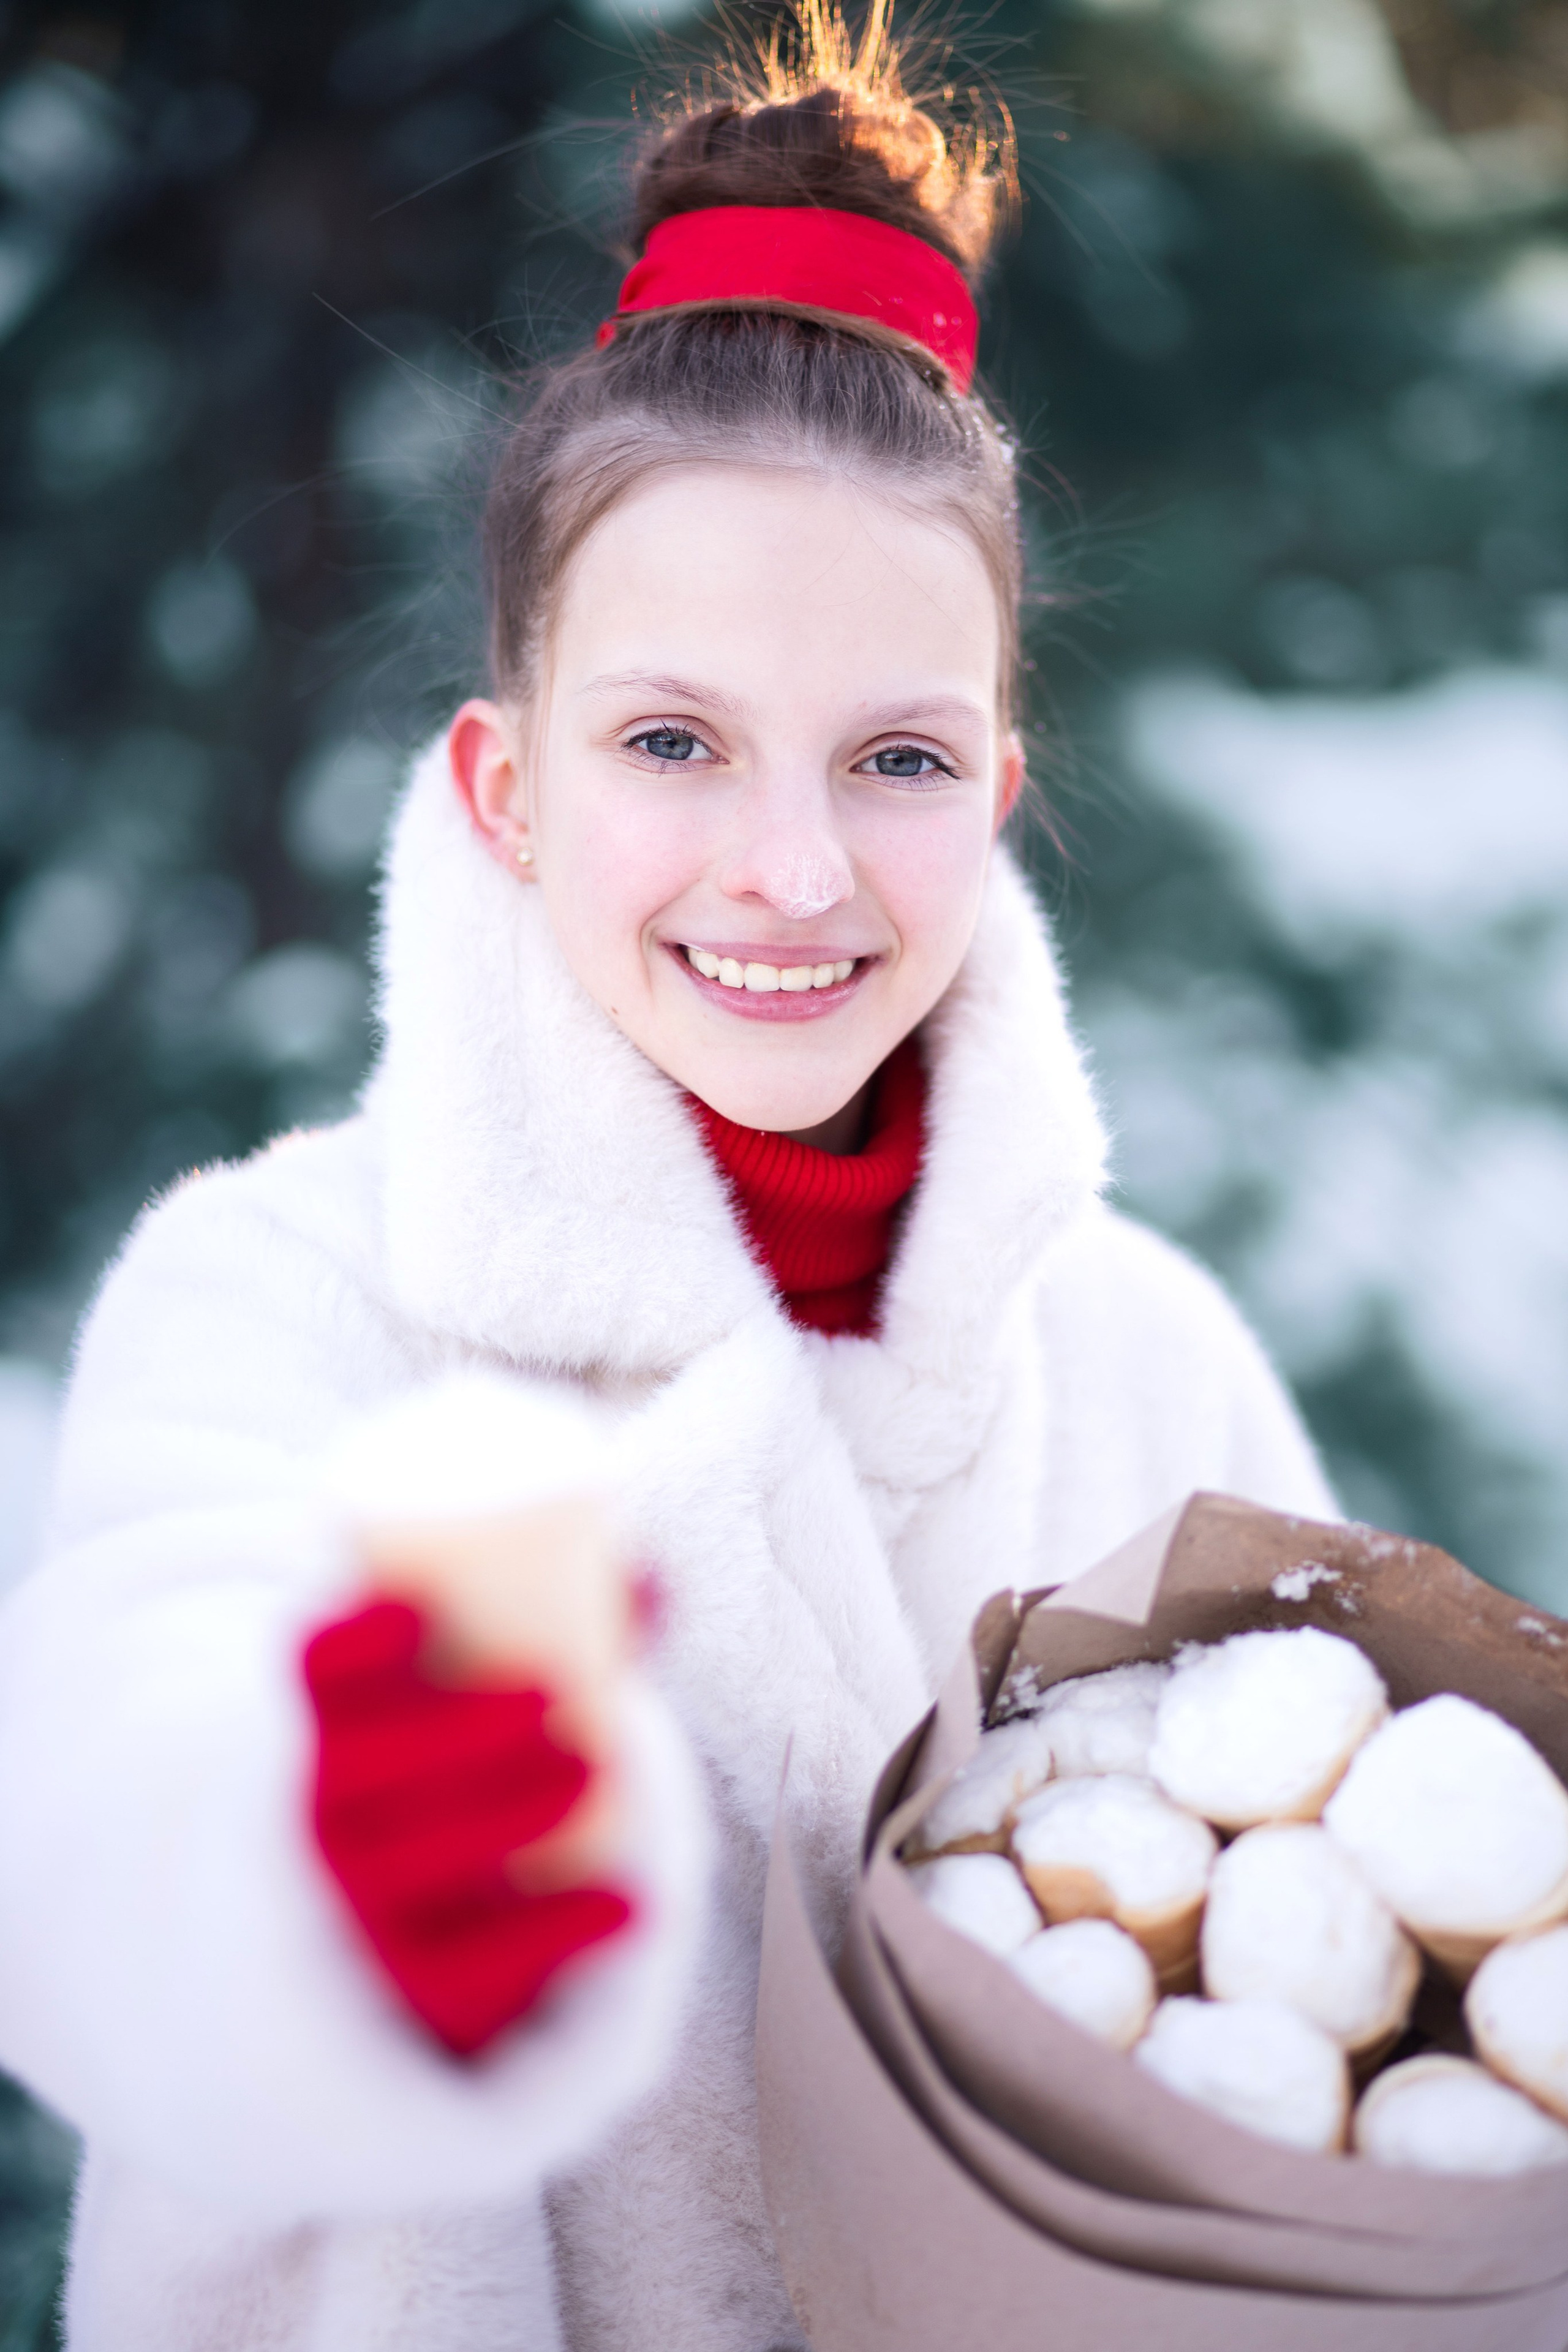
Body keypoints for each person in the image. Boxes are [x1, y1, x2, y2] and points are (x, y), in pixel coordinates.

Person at [0, 9, 1335, 2346]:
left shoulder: (1155, 1368)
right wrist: (299, 1873)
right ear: (507, 788)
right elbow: (98, 1786)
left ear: (1000, 789)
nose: (797, 869)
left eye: (897, 756)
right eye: (673, 741)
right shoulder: (287, 1297)